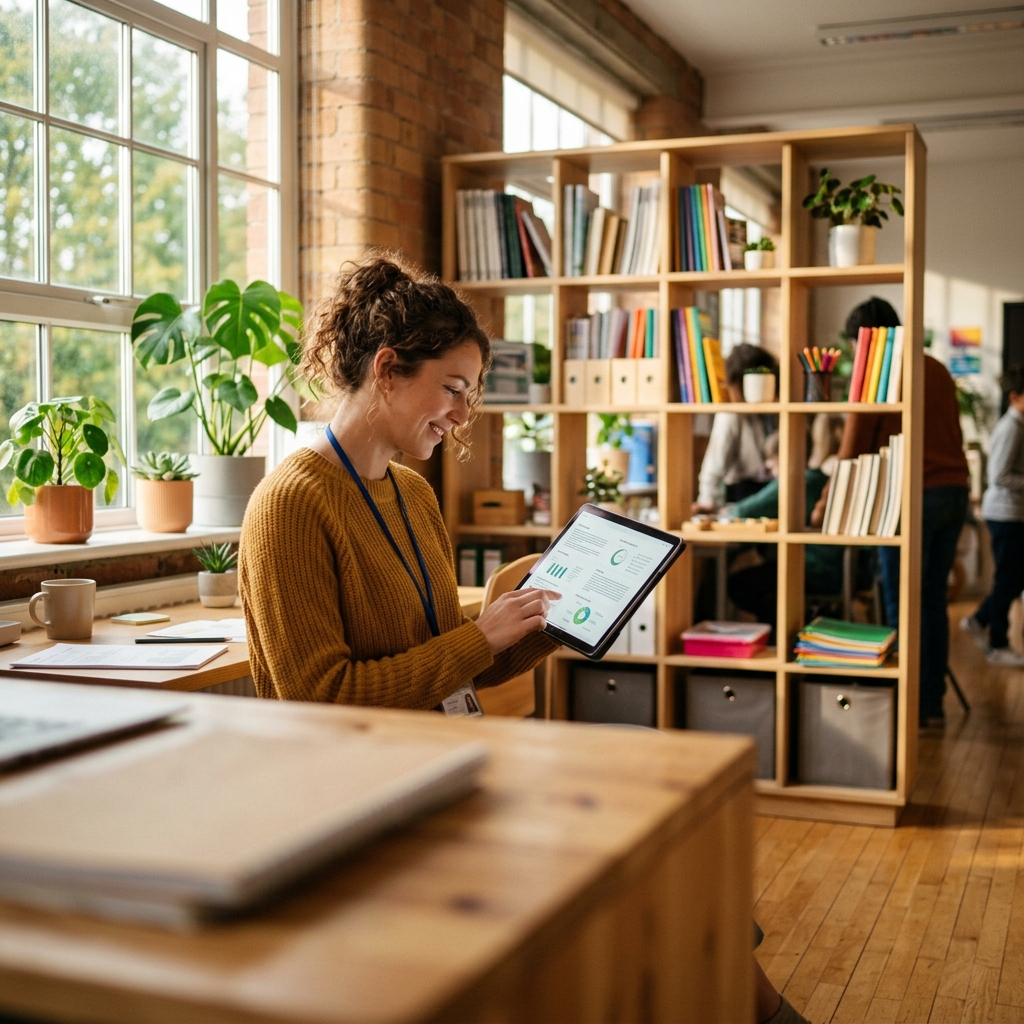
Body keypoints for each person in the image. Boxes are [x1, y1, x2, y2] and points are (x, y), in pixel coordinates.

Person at [239, 256, 560, 707]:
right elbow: (322, 696)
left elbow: (445, 670)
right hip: (363, 770)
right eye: (453, 388)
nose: (464, 414)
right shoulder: (289, 503)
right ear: (388, 370)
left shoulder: (413, 492)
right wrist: (480, 637)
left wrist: (553, 624)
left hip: (434, 753)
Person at [811, 298, 969, 727]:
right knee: (932, 601)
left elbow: (855, 440)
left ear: (865, 338)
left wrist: (825, 502)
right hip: (954, 491)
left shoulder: (881, 371)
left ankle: (906, 706)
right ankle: (929, 703)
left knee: (903, 604)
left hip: (913, 497)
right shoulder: (934, 367)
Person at [961, 367, 1024, 667]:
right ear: (1015, 397)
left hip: (1013, 513)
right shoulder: (1011, 427)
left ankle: (980, 620)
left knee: (1013, 578)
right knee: (1008, 578)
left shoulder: (1019, 425)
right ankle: (996, 640)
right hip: (1005, 513)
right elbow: (998, 475)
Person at [693, 343, 778, 512]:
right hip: (743, 496)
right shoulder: (731, 415)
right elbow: (713, 469)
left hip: (772, 493)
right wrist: (708, 504)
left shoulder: (771, 412)